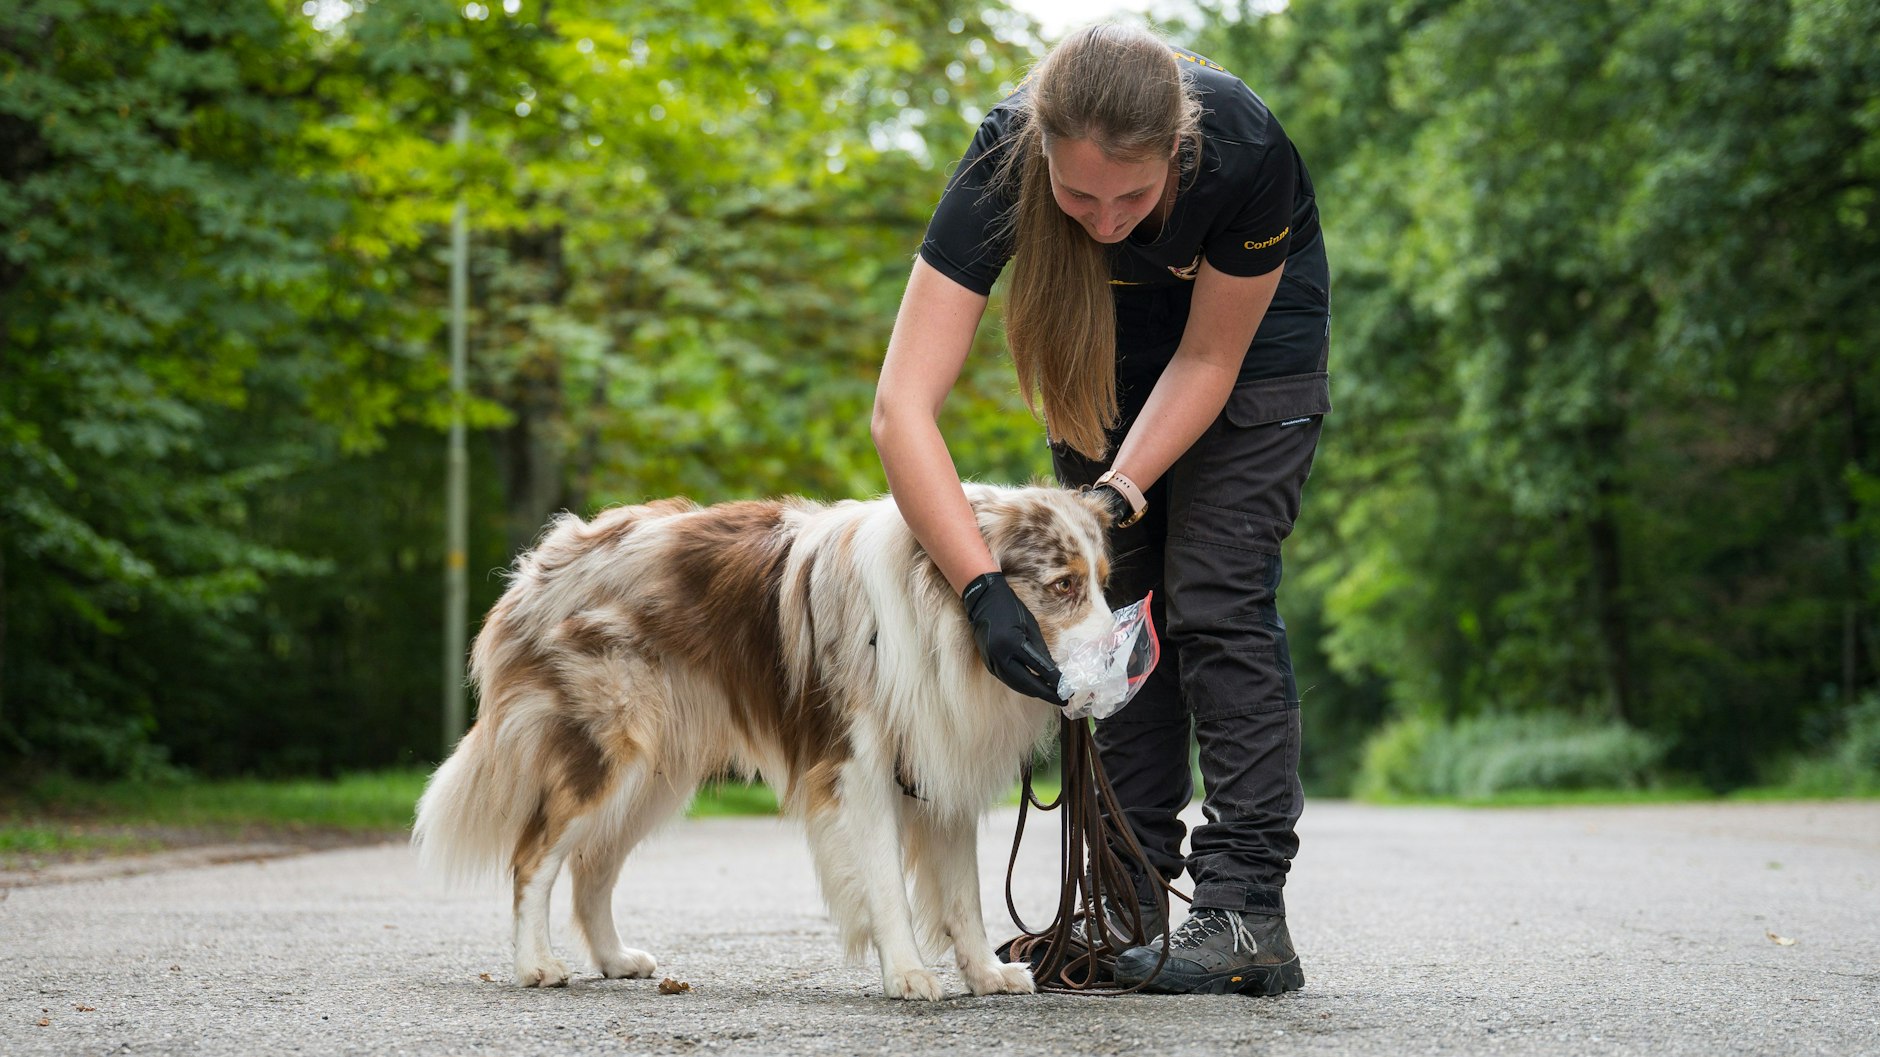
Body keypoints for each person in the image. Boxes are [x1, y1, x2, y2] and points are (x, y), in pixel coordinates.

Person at [870, 22, 1329, 996]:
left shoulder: (1240, 149)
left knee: (1210, 594)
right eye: (1078, 194)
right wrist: (982, 588)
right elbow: (900, 408)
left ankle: (1244, 914)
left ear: (1177, 152)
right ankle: (1120, 906)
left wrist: (1122, 488)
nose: (1107, 216)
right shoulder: (1000, 164)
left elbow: (1208, 359)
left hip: (1247, 347)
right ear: (1040, 153)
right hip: (1101, 340)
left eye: (1133, 194)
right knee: (1106, 609)